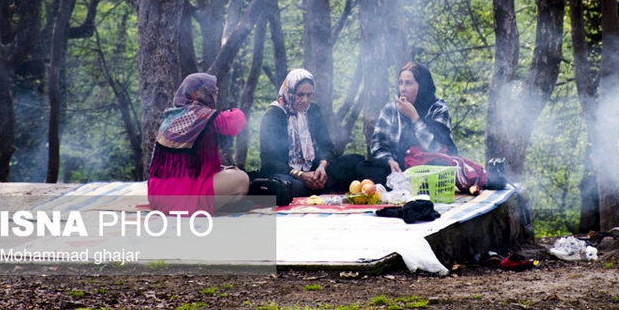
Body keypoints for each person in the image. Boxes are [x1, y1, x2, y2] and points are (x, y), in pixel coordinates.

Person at [148, 73, 250, 215]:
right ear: (198, 93)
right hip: (182, 198)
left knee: (228, 171)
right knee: (241, 178)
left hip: (157, 197)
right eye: (213, 90)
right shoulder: (200, 116)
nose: (216, 94)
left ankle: (220, 204)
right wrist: (234, 110)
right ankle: (213, 205)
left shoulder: (173, 115)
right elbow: (236, 123)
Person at [257, 68, 364, 198]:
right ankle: (315, 187)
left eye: (309, 95)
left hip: (313, 169)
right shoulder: (273, 114)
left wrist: (322, 167)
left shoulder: (313, 109)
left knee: (356, 161)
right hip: (286, 173)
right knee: (287, 186)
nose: (305, 100)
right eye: (300, 95)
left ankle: (316, 185)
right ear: (289, 92)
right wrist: (300, 175)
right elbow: (269, 160)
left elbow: (326, 145)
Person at [368, 62, 458, 185]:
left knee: (441, 166)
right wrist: (389, 161)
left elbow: (436, 148)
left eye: (408, 83)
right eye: (401, 83)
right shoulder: (390, 109)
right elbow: (378, 145)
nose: (402, 89)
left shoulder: (438, 108)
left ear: (422, 87)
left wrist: (414, 117)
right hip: (397, 170)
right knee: (362, 166)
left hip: (427, 168)